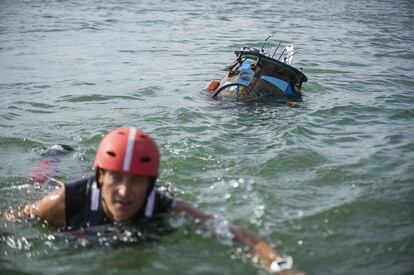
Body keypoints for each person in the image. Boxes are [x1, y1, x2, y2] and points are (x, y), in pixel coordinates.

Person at [5, 127, 303, 274]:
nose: (124, 192)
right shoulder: (63, 203)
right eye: (116, 179)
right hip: (65, 187)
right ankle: (52, 156)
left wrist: (280, 266)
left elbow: (240, 235)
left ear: (151, 184)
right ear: (101, 179)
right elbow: (10, 221)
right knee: (39, 184)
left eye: (137, 180)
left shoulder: (163, 205)